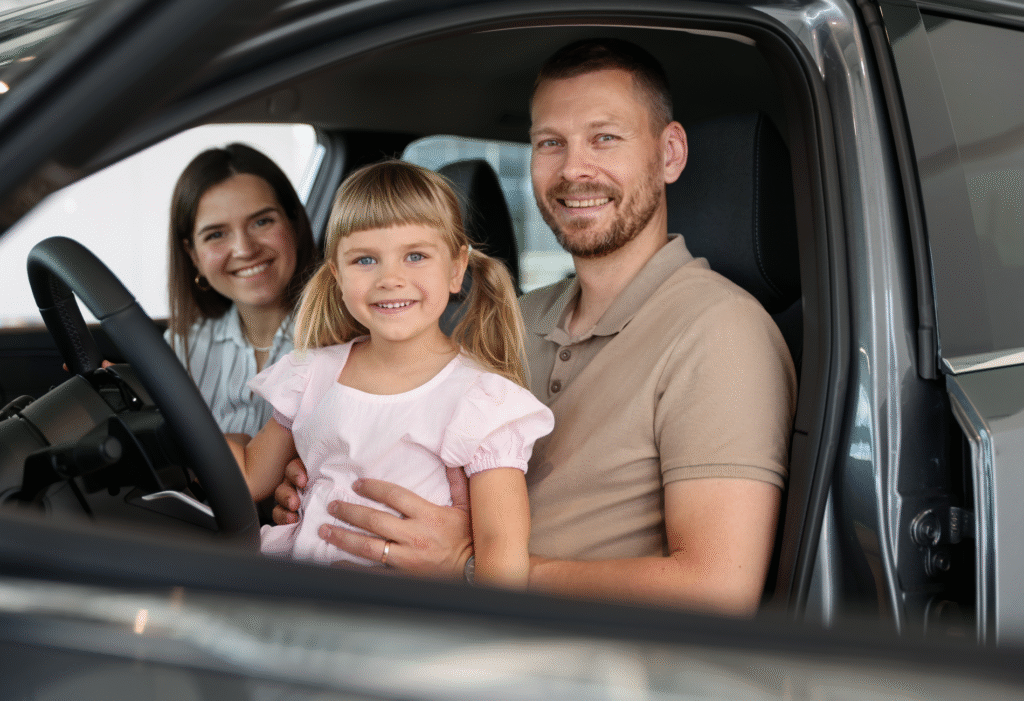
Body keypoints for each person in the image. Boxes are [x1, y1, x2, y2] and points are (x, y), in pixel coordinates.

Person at [274, 39, 796, 615]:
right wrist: (331, 473)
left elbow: (718, 590)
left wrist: (470, 567)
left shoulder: (721, 333)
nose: (573, 169)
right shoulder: (513, 319)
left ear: (669, 154)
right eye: (550, 143)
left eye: (604, 138)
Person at [230, 160, 554, 589]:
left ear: (456, 269)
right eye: (365, 260)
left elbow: (502, 552)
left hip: (407, 616)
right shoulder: (310, 375)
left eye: (415, 256)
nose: (390, 278)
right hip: (299, 600)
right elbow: (249, 476)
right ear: (337, 275)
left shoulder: (481, 400)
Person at [166, 143, 319, 441]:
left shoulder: (344, 340)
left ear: (294, 223)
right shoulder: (180, 348)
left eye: (262, 222)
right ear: (193, 254)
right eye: (216, 234)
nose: (245, 249)